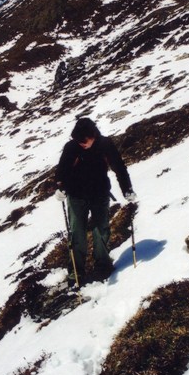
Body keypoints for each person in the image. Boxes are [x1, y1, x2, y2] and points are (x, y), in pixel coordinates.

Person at [55, 117, 136, 285]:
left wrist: (127, 189)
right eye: (77, 140)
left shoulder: (105, 145)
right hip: (76, 196)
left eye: (84, 140)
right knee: (77, 233)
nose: (81, 144)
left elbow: (119, 168)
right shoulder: (72, 147)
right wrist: (60, 187)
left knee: (101, 231)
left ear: (93, 135)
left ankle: (103, 266)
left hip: (99, 194)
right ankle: (76, 273)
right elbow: (62, 170)